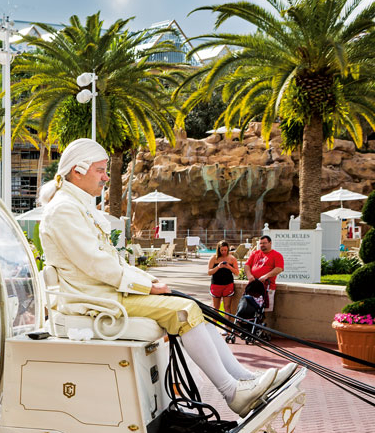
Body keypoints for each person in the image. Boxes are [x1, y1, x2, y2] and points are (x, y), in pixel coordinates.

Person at [38, 138, 294, 417]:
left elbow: (111, 263)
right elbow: (96, 264)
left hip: (107, 294)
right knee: (184, 310)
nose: (106, 177)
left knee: (196, 310)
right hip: (96, 301)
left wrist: (150, 282)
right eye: (100, 170)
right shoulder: (64, 210)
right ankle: (232, 393)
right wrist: (146, 286)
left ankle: (244, 379)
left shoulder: (77, 206)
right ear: (78, 170)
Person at [245, 235, 284, 312]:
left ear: (270, 243)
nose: (262, 245)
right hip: (253, 287)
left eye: (264, 243)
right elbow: (247, 265)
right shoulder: (255, 253)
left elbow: (279, 268)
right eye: (261, 243)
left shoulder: (277, 255)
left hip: (267, 287)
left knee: (264, 310)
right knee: (249, 307)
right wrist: (249, 275)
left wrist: (266, 276)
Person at [207, 240, 239, 315]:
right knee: (215, 308)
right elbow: (209, 272)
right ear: (218, 250)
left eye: (225, 250)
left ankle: (227, 326)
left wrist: (229, 267)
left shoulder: (232, 258)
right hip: (216, 285)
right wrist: (218, 267)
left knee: (227, 307)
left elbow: (237, 273)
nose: (223, 252)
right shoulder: (213, 258)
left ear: (228, 249)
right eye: (222, 250)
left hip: (228, 285)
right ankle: (213, 325)